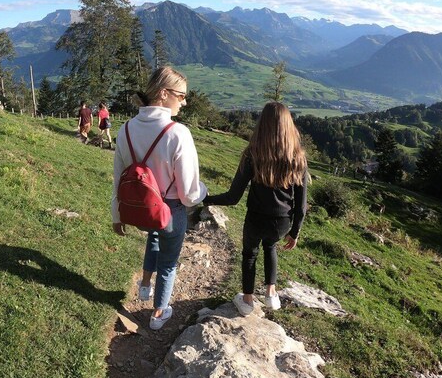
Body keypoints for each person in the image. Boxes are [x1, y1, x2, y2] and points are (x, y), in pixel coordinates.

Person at [111, 67, 207, 330]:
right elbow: (189, 195)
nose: (184, 102)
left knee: (153, 237)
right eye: (181, 96)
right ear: (164, 94)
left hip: (138, 211)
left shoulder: (126, 129)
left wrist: (117, 215)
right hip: (169, 211)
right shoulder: (178, 133)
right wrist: (204, 191)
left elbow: (118, 179)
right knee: (168, 263)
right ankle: (159, 313)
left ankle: (144, 285)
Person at [203, 101, 307, 316]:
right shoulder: (298, 157)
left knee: (250, 254)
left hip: (256, 218)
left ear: (262, 124)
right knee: (270, 246)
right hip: (282, 222)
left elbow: (233, 197)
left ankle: (247, 300)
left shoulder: (253, 154)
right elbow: (301, 204)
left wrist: (206, 199)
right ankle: (271, 293)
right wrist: (295, 232)